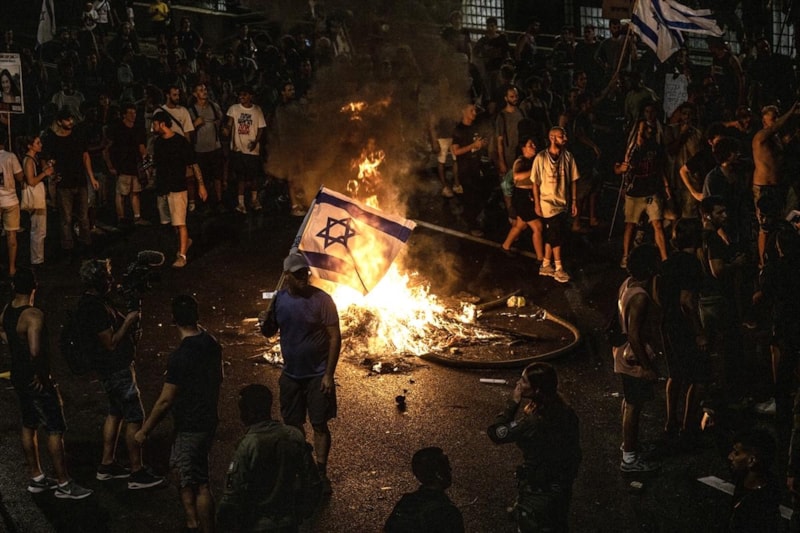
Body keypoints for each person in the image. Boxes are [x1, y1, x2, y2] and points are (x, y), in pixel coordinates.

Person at [0, 268, 93, 499]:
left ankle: (36, 477)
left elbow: (4, 331)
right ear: (35, 286)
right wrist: (41, 376)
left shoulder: (8, 310)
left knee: (29, 423)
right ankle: (64, 483)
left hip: (18, 376)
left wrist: (15, 345)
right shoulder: (34, 315)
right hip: (35, 378)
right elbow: (35, 351)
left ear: (13, 287)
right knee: (54, 427)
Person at [135, 295, 223, 533]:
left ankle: (196, 524)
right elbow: (219, 378)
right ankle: (195, 523)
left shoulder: (180, 357)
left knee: (193, 480)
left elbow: (165, 401)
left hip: (189, 425)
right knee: (196, 473)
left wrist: (144, 431)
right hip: (208, 418)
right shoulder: (211, 343)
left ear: (173, 319)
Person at [75, 258, 164, 490]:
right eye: (107, 277)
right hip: (115, 369)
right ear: (98, 281)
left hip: (109, 369)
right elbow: (110, 342)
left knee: (115, 413)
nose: (111, 281)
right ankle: (137, 471)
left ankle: (107, 465)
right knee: (135, 416)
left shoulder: (92, 302)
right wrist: (129, 321)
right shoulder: (94, 308)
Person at [260, 252, 340, 494]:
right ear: (287, 276)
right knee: (293, 427)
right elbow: (269, 332)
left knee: (319, 424)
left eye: (305, 272)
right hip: (291, 375)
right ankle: (303, 467)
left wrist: (328, 374)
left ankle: (321, 472)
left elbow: (334, 337)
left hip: (317, 375)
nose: (304, 277)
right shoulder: (279, 299)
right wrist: (265, 321)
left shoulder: (322, 300)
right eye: (298, 274)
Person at [487, 362, 581, 532]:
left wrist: (512, 403)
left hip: (538, 492)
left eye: (523, 381)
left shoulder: (533, 422)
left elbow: (497, 433)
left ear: (536, 389)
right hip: (562, 489)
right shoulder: (567, 412)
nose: (518, 383)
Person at [216, 384, 321, 532]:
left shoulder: (248, 445)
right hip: (288, 522)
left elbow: (233, 492)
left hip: (257, 524)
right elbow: (313, 481)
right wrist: (302, 512)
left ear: (250, 412)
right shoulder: (293, 436)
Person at [656, 218, 708, 448]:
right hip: (684, 325)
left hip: (667, 322)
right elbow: (687, 301)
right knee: (699, 377)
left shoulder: (667, 263)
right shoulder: (691, 264)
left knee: (674, 374)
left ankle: (671, 422)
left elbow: (657, 293)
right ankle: (688, 429)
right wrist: (699, 332)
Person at [615, 244, 662, 472]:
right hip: (633, 358)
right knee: (634, 406)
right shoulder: (640, 297)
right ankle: (629, 458)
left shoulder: (627, 284)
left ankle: (629, 444)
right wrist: (647, 367)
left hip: (623, 354)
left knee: (629, 402)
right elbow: (634, 334)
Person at [152, 110, 207, 268]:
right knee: (172, 223)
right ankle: (184, 243)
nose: (153, 127)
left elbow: (193, 164)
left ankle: (182, 255)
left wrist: (201, 185)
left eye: (155, 124)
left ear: (162, 124)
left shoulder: (180, 142)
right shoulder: (158, 143)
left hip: (177, 188)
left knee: (180, 222)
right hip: (162, 188)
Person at [41, 107, 98, 256]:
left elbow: (85, 156)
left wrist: (91, 177)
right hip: (64, 184)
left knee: (84, 216)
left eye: (71, 119)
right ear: (59, 122)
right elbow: (46, 159)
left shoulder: (78, 135)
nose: (71, 122)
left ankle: (86, 243)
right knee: (65, 218)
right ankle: (68, 247)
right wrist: (51, 175)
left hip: (80, 181)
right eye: (67, 120)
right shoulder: (53, 139)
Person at [752, 103, 800, 266]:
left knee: (780, 222)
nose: (777, 120)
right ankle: (763, 264)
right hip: (764, 188)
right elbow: (776, 127)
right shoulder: (760, 137)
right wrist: (791, 110)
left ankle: (778, 256)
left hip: (778, 186)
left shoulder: (776, 138)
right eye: (773, 118)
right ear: (764, 120)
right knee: (765, 227)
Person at [532, 126, 579, 283]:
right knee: (556, 234)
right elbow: (535, 183)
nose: (565, 138)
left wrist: (574, 201)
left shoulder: (568, 156)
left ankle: (546, 264)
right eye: (561, 136)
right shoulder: (541, 158)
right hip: (547, 203)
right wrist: (537, 204)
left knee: (553, 233)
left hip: (562, 202)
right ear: (552, 138)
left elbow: (573, 180)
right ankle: (558, 268)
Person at [384, 447, 465, 533]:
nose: (450, 469)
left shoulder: (407, 501)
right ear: (438, 474)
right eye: (446, 466)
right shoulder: (446, 511)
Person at [103, 102, 149, 226]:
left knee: (135, 192)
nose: (133, 115)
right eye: (130, 113)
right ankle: (121, 218)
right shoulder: (117, 129)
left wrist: (146, 163)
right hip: (122, 166)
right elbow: (107, 148)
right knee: (121, 193)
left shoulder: (138, 129)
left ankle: (137, 217)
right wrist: (110, 165)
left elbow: (142, 147)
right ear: (124, 114)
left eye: (134, 112)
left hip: (135, 166)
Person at [223, 84, 265, 214]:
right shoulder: (234, 109)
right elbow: (230, 123)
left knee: (253, 176)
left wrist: (255, 142)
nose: (241, 97)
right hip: (239, 148)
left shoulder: (257, 110)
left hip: (252, 149)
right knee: (241, 176)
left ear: (250, 96)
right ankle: (241, 203)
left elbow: (261, 128)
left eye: (244, 95)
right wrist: (226, 130)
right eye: (240, 94)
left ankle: (254, 200)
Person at [728, 428, 780, 532]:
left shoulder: (760, 506)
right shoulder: (745, 476)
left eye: (736, 453)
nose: (730, 456)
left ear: (751, 460)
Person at [501, 136, 544, 260]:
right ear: (523, 148)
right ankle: (541, 259)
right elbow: (516, 177)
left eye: (534, 144)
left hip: (527, 196)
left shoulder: (532, 161)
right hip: (523, 197)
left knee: (520, 225)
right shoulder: (520, 162)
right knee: (537, 227)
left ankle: (505, 246)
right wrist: (533, 171)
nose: (534, 147)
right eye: (530, 145)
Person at [450, 102, 489, 236]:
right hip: (465, 169)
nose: (474, 113)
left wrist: (482, 144)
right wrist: (473, 145)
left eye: (475, 110)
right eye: (471, 110)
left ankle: (470, 217)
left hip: (476, 166)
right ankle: (471, 225)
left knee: (480, 194)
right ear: (463, 112)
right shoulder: (459, 130)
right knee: (470, 198)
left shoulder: (475, 126)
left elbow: (478, 144)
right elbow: (456, 151)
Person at [19, 135, 54, 266]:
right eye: (37, 143)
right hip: (35, 199)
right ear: (30, 146)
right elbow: (31, 181)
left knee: (39, 229)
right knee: (38, 229)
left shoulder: (35, 159)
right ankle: (37, 260)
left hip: (38, 197)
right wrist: (45, 173)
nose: (40, 145)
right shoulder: (29, 161)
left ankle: (38, 258)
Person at [0, 129, 23, 276]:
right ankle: (12, 267)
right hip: (10, 200)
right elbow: (20, 177)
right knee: (11, 235)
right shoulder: (10, 157)